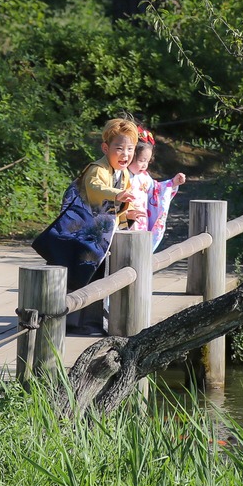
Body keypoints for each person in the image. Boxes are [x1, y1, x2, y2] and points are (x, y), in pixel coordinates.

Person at [32, 117, 146, 335]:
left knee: (96, 273)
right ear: (106, 147)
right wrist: (118, 195)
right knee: (75, 271)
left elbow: (113, 209)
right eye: (119, 148)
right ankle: (66, 321)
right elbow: (95, 189)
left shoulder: (123, 175)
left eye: (130, 149)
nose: (125, 155)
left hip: (95, 235)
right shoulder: (98, 169)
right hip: (76, 232)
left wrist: (127, 214)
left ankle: (90, 323)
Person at [125, 127, 186, 251]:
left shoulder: (144, 177)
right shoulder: (120, 176)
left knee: (140, 252)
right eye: (141, 160)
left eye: (147, 161)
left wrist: (173, 183)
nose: (145, 165)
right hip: (125, 221)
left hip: (141, 221)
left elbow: (156, 190)